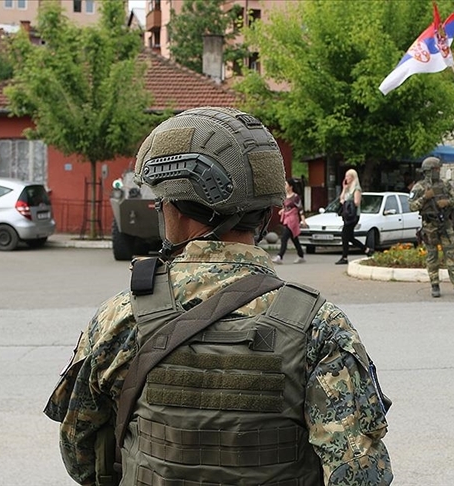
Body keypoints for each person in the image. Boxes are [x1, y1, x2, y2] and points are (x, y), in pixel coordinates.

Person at [44, 107, 392, 485]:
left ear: (174, 210)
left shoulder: (120, 317)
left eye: (162, 202)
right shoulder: (319, 325)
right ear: (266, 213)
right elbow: (361, 475)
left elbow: (81, 455)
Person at [408, 157, 454, 298]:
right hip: (429, 227)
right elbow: (411, 206)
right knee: (432, 257)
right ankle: (435, 285)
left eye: (438, 169)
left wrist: (447, 202)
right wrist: (425, 198)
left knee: (451, 255)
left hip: (445, 225)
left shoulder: (445, 185)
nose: (438, 171)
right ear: (429, 171)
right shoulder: (419, 187)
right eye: (436, 169)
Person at [336, 168, 372, 265]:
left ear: (353, 177)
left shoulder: (357, 189)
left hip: (353, 215)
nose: (346, 178)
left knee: (344, 235)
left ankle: (344, 257)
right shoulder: (348, 189)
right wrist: (344, 188)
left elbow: (356, 202)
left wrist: (345, 202)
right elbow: (341, 198)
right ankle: (367, 250)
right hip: (347, 215)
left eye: (348, 176)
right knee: (350, 237)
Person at [271, 178, 306, 264]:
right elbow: (286, 207)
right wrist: (282, 211)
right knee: (294, 238)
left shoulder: (295, 197)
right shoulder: (285, 196)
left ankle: (280, 256)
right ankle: (301, 255)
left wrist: (303, 221)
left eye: (286, 184)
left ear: (291, 186)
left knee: (284, 238)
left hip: (293, 220)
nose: (285, 186)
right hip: (287, 218)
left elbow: (300, 209)